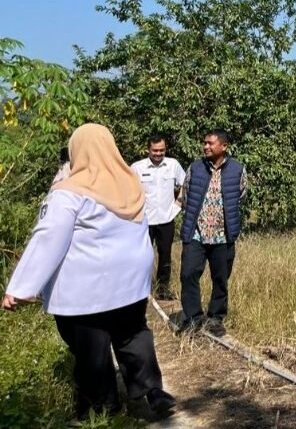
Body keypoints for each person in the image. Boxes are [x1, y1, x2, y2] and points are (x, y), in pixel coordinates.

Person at [2, 124, 176, 420]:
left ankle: (102, 408)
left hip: (85, 291)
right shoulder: (131, 184)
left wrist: (20, 288)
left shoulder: (68, 192)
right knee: (133, 336)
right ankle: (152, 392)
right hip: (130, 286)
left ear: (76, 150)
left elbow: (48, 239)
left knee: (92, 349)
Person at [177, 129, 246, 337]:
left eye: (210, 143)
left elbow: (241, 195)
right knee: (188, 274)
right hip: (196, 233)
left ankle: (215, 318)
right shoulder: (195, 167)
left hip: (222, 235)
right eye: (204, 142)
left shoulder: (238, 169)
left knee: (220, 278)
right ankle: (193, 319)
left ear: (224, 146)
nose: (205, 146)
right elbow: (186, 195)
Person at [131, 135, 186, 300]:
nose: (158, 153)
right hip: (144, 221)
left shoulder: (173, 165)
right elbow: (129, 191)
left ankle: (162, 290)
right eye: (155, 150)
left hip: (166, 219)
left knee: (165, 255)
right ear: (148, 150)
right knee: (142, 256)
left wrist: (178, 204)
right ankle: (140, 289)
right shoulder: (137, 167)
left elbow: (185, 183)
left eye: (162, 150)